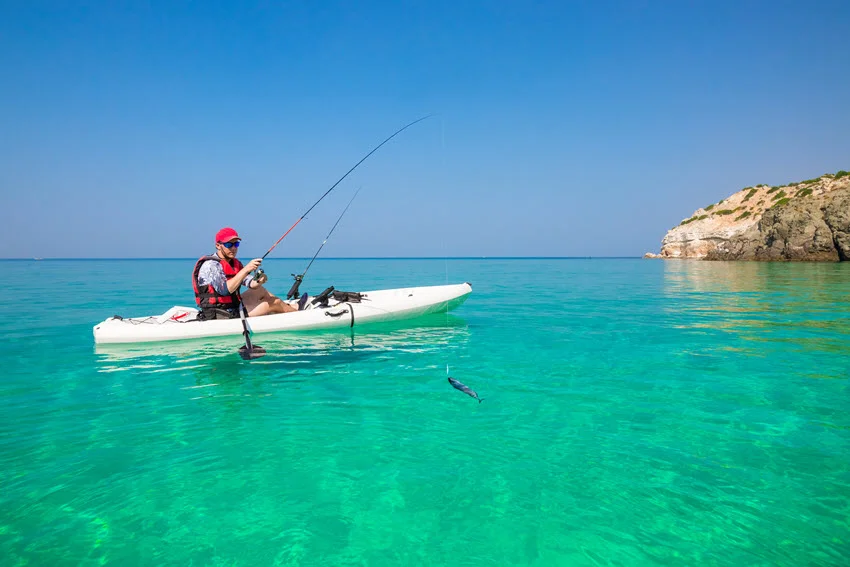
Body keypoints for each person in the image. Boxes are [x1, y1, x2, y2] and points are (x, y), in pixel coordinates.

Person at [192, 227, 297, 320]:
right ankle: (296, 315)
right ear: (218, 246)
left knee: (260, 290)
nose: (233, 248)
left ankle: (287, 308)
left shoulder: (234, 263)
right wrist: (246, 269)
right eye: (229, 244)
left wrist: (258, 280)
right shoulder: (211, 265)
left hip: (230, 306)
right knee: (274, 302)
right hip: (218, 313)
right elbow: (224, 290)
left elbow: (249, 283)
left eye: (236, 244)